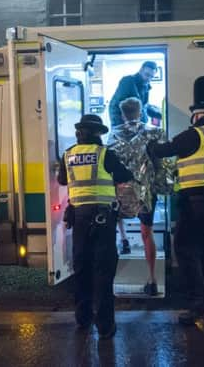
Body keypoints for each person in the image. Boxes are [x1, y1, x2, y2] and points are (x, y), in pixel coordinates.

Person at [148, 104, 204, 325]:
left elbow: (163, 150)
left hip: (197, 204)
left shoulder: (195, 134)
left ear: (196, 116)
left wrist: (149, 143)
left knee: (186, 252)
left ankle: (198, 306)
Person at [57, 114, 133, 339]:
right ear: (98, 133)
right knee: (103, 269)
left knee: (81, 267)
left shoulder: (68, 154)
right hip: (103, 218)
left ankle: (83, 319)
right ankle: (106, 327)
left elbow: (62, 180)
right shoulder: (105, 154)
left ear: (80, 133)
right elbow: (124, 175)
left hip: (79, 217)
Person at [108, 97, 166, 296]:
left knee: (116, 219)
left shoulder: (113, 135)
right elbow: (163, 163)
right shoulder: (154, 131)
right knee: (146, 233)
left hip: (122, 190)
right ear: (140, 112)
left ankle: (123, 240)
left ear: (123, 113)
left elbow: (110, 165)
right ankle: (152, 279)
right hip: (147, 192)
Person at [108, 61, 157, 127]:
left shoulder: (145, 86)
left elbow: (143, 106)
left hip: (136, 125)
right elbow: (122, 106)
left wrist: (160, 114)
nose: (149, 79)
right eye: (147, 75)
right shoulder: (128, 81)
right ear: (141, 70)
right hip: (123, 125)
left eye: (152, 77)